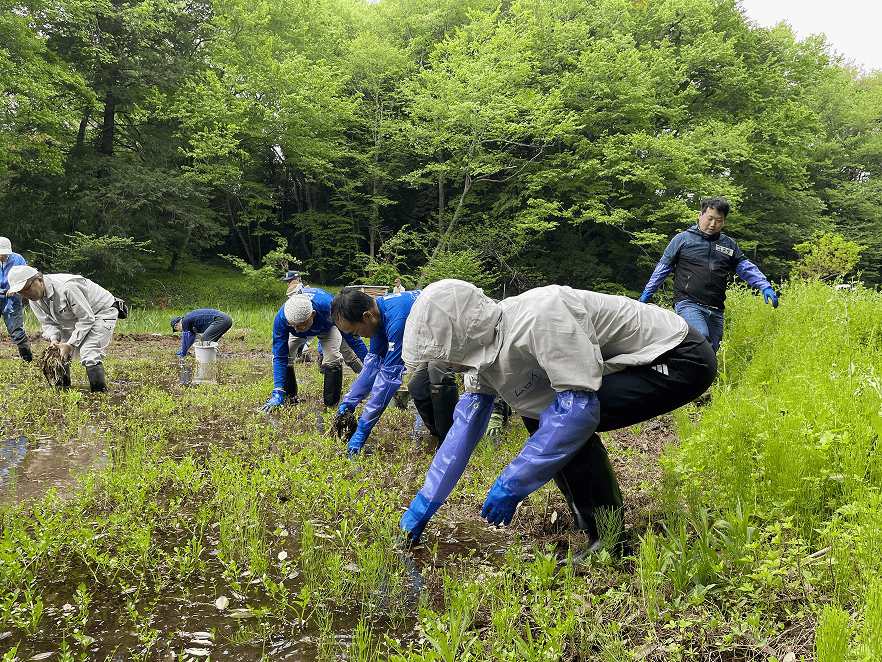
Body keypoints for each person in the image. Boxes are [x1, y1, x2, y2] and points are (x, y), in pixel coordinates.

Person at [398, 279, 717, 561]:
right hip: (640, 362)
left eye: (444, 353)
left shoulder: (541, 317)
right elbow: (463, 431)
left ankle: (610, 541)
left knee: (566, 423)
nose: (445, 364)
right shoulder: (479, 352)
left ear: (461, 334)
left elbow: (577, 414)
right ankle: (585, 513)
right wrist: (424, 503)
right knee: (540, 414)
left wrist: (512, 482)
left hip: (678, 357)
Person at [638, 197, 778, 352]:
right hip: (688, 303)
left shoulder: (729, 245)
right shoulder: (683, 239)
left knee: (711, 353)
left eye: (719, 220)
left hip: (716, 309)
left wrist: (764, 286)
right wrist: (646, 295)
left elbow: (745, 267)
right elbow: (662, 268)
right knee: (701, 338)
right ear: (700, 215)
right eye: (709, 219)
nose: (713, 224)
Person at [330, 287, 458, 456]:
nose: (356, 337)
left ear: (366, 316)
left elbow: (387, 380)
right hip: (435, 342)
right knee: (417, 387)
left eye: (355, 332)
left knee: (438, 373)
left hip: (457, 334)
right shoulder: (378, 316)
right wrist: (349, 402)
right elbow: (372, 366)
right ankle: (438, 433)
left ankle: (451, 441)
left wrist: (363, 429)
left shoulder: (398, 320)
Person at [6, 265, 121, 392]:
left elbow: (86, 319)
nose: (26, 295)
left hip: (101, 312)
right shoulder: (34, 299)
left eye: (27, 289)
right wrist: (55, 340)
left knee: (89, 352)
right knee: (59, 352)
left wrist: (70, 344)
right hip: (76, 318)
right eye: (21, 292)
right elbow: (48, 323)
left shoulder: (67, 287)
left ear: (40, 280)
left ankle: (98, 395)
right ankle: (63, 391)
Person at [262, 288, 368, 411]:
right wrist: (278, 391)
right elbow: (280, 355)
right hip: (301, 326)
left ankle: (331, 404)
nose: (296, 329)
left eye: (300, 325)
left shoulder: (330, 309)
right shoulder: (282, 319)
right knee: (287, 355)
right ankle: (289, 397)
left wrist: (370, 364)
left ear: (313, 314)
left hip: (326, 327)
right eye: (293, 325)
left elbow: (354, 341)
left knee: (333, 357)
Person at [0, 237, 32, 362]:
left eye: (4, 254)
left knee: (16, 329)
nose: (2, 256)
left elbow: (26, 277)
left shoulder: (18, 259)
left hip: (13, 298)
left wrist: (15, 289)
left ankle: (26, 359)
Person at [282, 270, 312, 363]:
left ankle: (303, 353)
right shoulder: (292, 291)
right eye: (287, 281)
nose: (288, 283)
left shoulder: (303, 292)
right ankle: (303, 354)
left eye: (290, 280)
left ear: (297, 279)